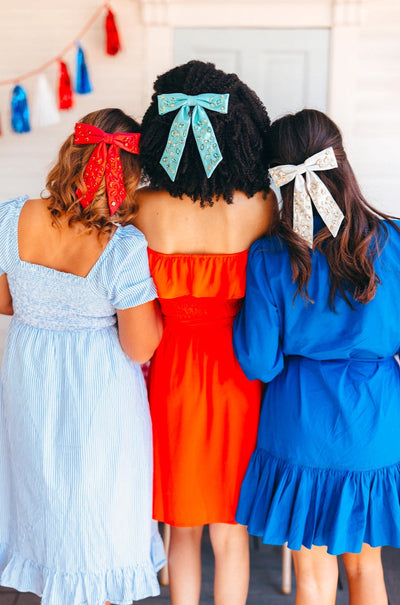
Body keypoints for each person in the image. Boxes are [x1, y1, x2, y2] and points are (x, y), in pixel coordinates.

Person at [233, 108, 400, 605]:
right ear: (340, 161)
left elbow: (260, 363)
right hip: (374, 419)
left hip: (300, 422)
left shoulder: (268, 256)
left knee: (311, 574)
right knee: (367, 567)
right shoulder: (394, 241)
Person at [0, 108, 165, 605]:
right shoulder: (123, 246)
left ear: (72, 154)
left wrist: (44, 309)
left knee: (43, 485)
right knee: (99, 501)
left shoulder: (12, 216)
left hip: (31, 373)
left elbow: (6, 300)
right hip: (98, 384)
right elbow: (139, 346)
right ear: (131, 175)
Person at [134, 60, 277, 605]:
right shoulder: (261, 207)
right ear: (238, 129)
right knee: (231, 528)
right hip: (238, 377)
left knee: (182, 527)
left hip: (171, 376)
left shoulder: (142, 208)